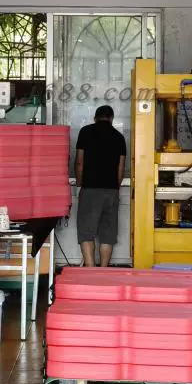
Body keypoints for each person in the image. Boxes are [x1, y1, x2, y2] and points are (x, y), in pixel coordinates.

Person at [74, 105, 127, 267]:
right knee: (108, 234)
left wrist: (79, 185)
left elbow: (79, 162)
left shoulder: (85, 132)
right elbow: (121, 168)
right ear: (111, 119)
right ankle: (103, 270)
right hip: (111, 191)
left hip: (90, 190)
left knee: (86, 232)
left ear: (95, 118)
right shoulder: (119, 137)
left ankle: (90, 270)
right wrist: (115, 188)